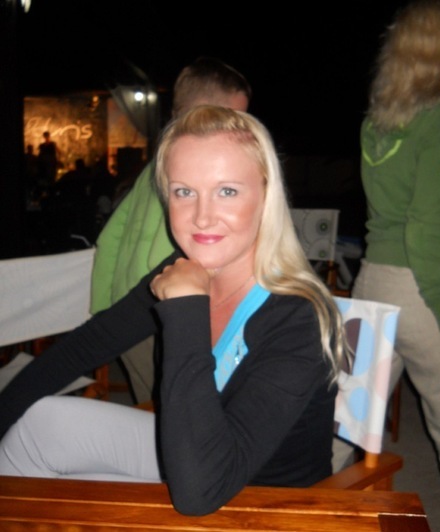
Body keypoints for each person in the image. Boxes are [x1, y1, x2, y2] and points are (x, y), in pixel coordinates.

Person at [0, 105, 345, 516]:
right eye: (184, 192)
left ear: (266, 197)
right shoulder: (184, 271)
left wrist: (186, 309)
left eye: (227, 191)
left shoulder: (298, 317)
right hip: (191, 448)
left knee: (70, 504)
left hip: (259, 503)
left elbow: (200, 493)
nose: (202, 217)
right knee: (40, 424)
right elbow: (88, 346)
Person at [90, 57, 252, 403]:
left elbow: (109, 237)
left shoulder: (155, 168)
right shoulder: (181, 175)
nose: (243, 132)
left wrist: (103, 305)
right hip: (156, 313)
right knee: (171, 407)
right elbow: (168, 257)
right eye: (233, 119)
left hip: (127, 308)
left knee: (152, 405)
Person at [351, 0, 440, 524]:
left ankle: (308, 513)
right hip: (421, 291)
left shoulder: (376, 123)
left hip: (371, 282)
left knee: (346, 421)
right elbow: (429, 227)